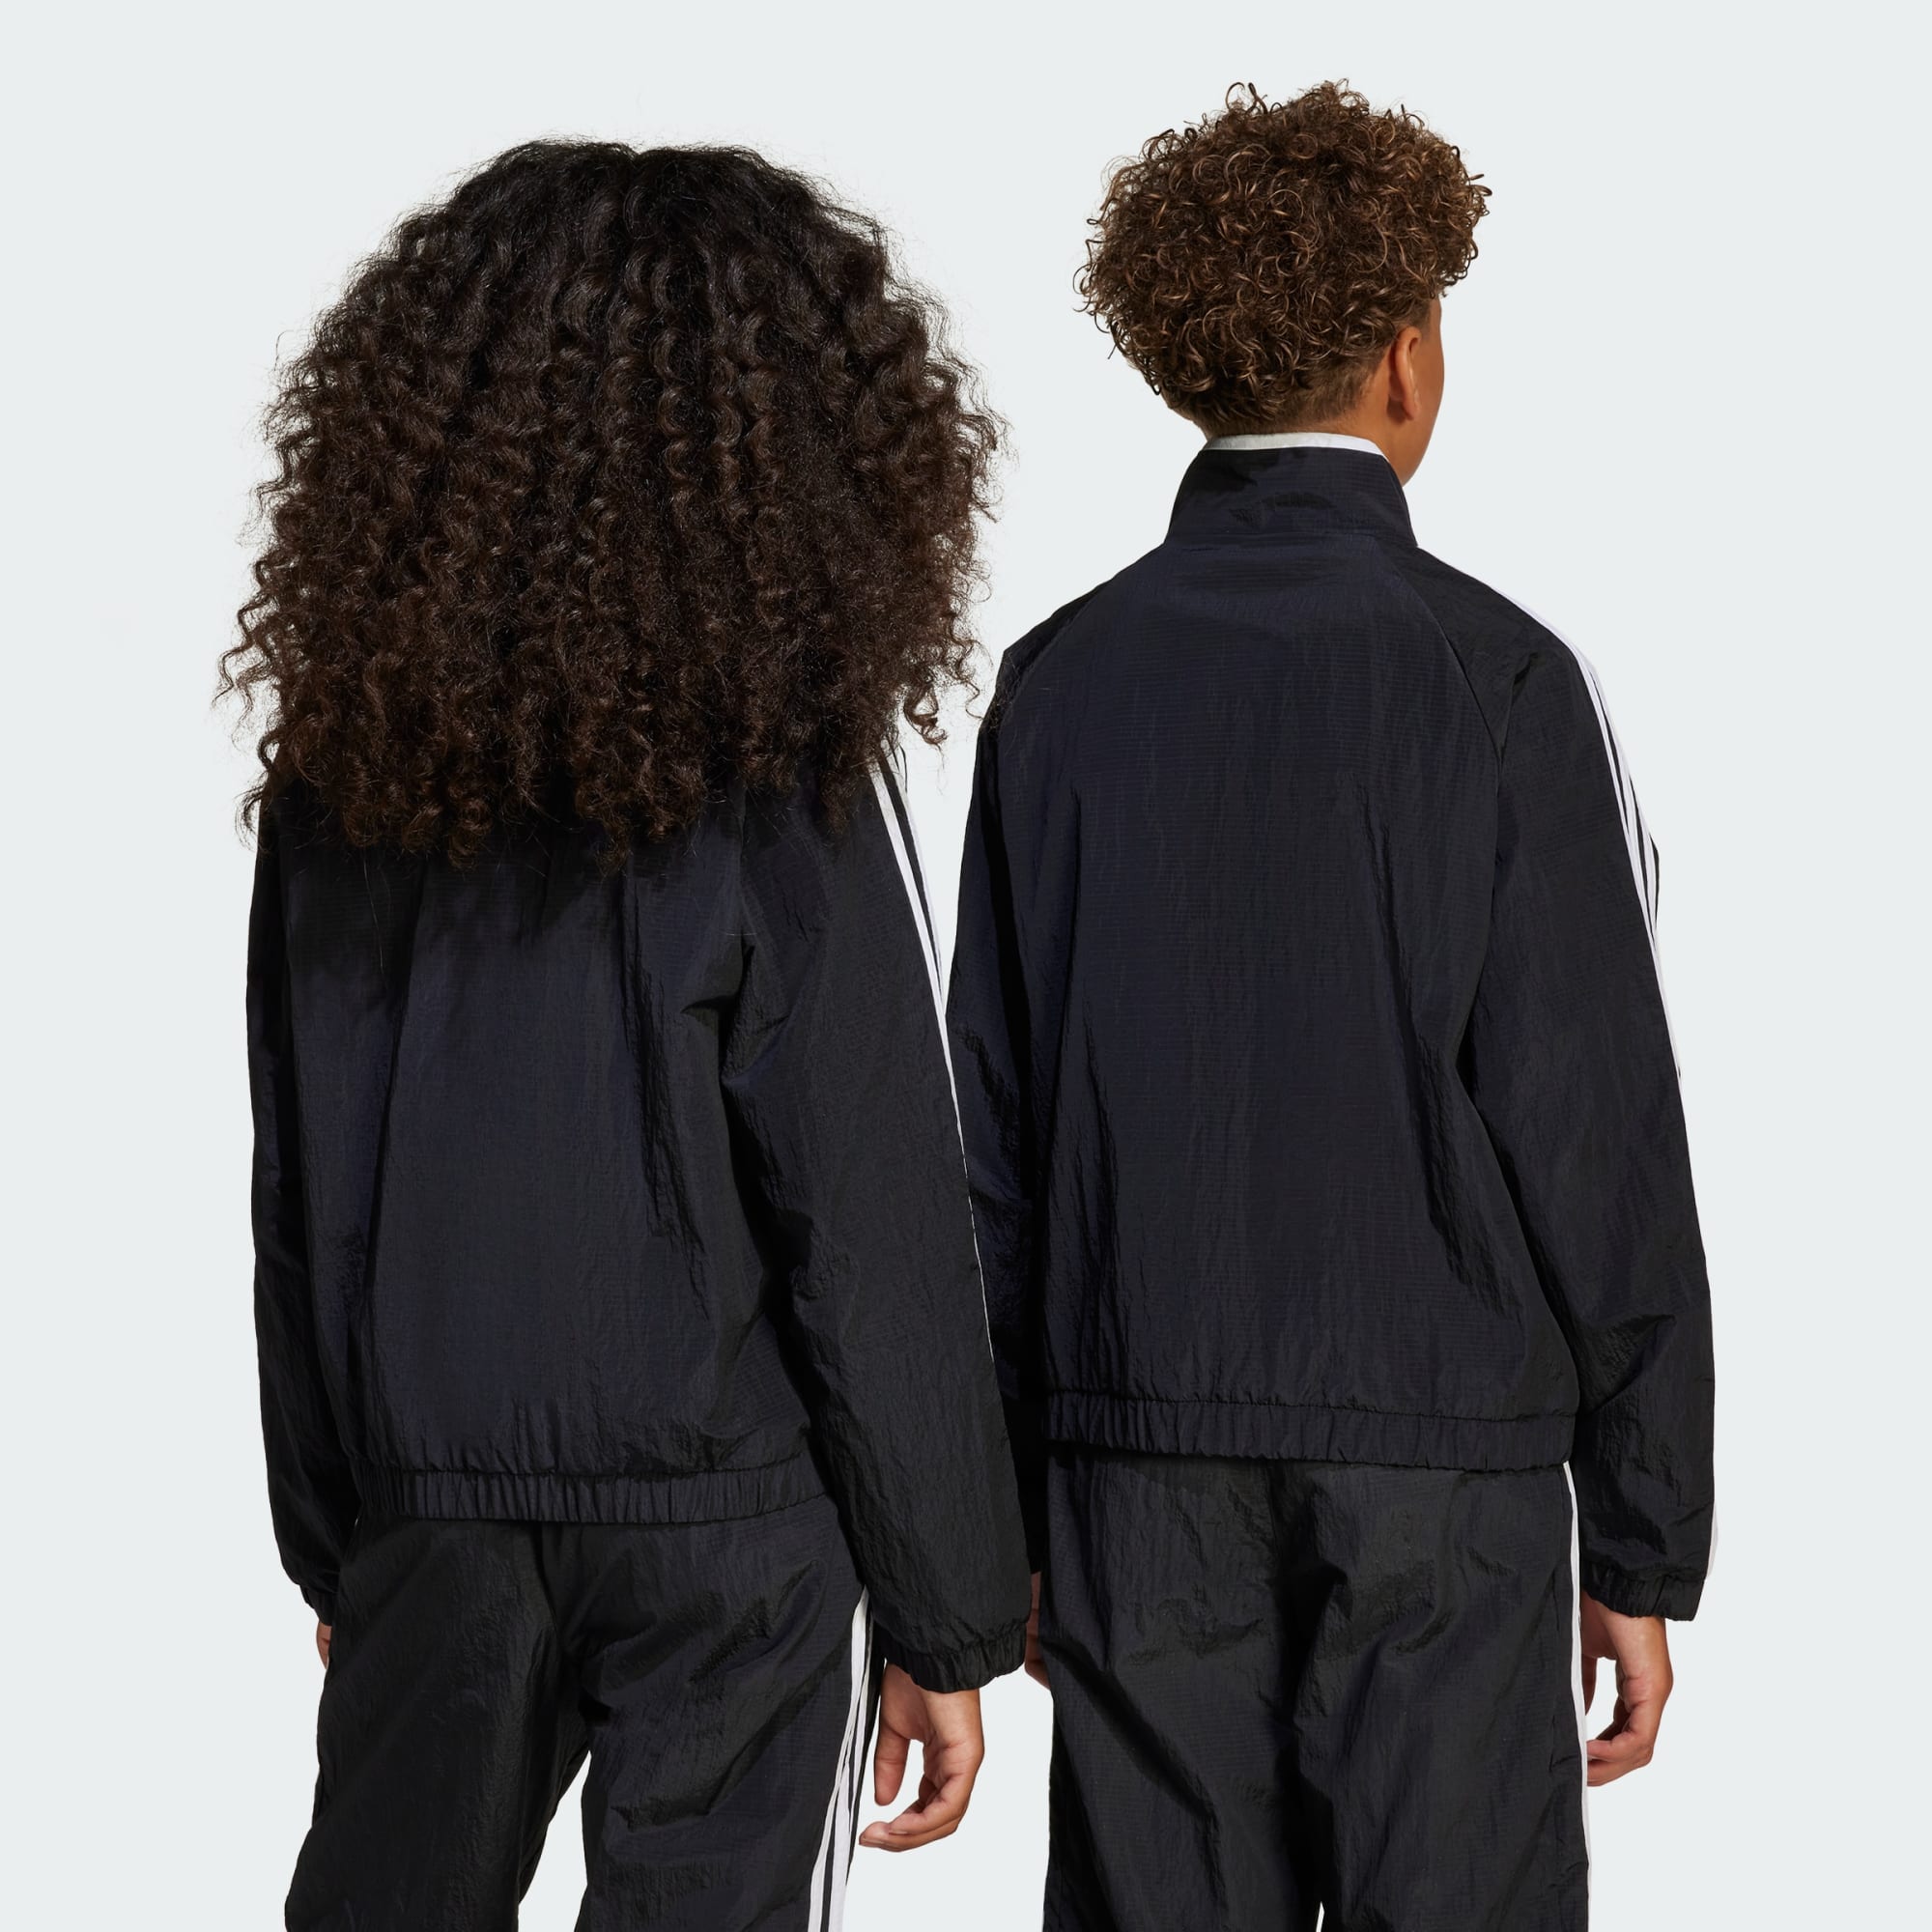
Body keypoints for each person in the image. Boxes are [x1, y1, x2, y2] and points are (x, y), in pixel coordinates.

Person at [228, 140, 1030, 1932]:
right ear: (803, 447)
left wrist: (344, 1530)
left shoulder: (345, 782)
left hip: (436, 1504)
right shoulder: (791, 779)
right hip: (733, 1533)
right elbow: (874, 1212)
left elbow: (303, 1187)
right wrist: (951, 1610)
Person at [949, 82, 1715, 1929]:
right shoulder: (1500, 681)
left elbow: (989, 1141)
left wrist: (998, 1517)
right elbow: (1597, 1131)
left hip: (1132, 1461)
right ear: (1404, 356)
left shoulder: (1054, 687)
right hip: (1441, 1479)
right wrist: (1644, 1535)